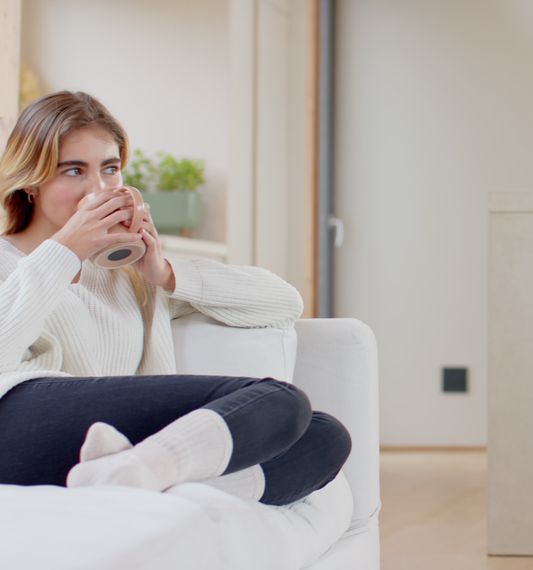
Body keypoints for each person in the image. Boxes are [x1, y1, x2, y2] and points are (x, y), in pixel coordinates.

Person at [0, 91, 350, 506]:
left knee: (324, 434)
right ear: (33, 183)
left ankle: (135, 478)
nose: (97, 188)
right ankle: (150, 479)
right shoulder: (10, 261)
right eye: (74, 170)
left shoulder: (128, 274)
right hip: (17, 423)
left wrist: (164, 274)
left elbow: (283, 302)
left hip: (110, 437)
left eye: (110, 169)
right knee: (280, 399)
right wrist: (65, 250)